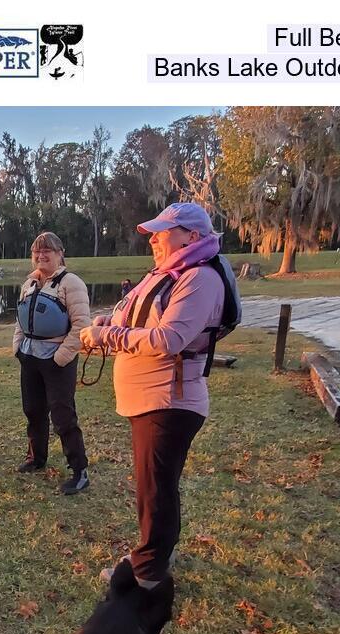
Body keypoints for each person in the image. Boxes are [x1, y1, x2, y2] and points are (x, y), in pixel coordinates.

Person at [80, 202, 227, 593]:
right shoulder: (170, 273)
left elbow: (168, 339)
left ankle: (147, 571)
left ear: (192, 237)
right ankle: (160, 552)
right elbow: (139, 318)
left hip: (169, 401)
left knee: (155, 488)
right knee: (158, 483)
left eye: (163, 232)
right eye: (155, 233)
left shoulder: (199, 278)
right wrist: (108, 322)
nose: (155, 240)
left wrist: (105, 337)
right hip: (152, 399)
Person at [12, 232, 92, 495]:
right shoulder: (30, 283)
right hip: (30, 356)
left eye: (48, 251)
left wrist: (61, 357)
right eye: (37, 251)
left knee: (62, 415)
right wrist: (18, 347)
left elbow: (81, 325)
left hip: (58, 359)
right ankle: (37, 457)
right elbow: (21, 319)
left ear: (60, 254)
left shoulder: (72, 283)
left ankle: (79, 470)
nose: (41, 255)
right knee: (33, 410)